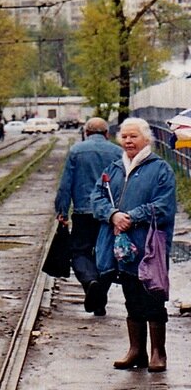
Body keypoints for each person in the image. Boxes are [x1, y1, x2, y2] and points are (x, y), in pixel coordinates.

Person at [92, 117, 176, 373]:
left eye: (134, 136)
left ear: (146, 139)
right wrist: (112, 215)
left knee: (152, 296)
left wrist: (133, 216)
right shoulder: (115, 168)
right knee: (131, 296)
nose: (128, 141)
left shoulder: (160, 169)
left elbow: (164, 206)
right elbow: (96, 197)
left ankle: (158, 353)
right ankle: (136, 350)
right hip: (123, 246)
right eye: (125, 137)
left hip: (149, 246)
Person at [54, 116, 121, 316]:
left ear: (86, 133)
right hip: (109, 214)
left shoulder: (76, 151)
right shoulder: (118, 152)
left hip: (83, 212)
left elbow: (66, 184)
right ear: (107, 134)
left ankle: (91, 282)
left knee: (80, 252)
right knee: (107, 254)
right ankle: (99, 299)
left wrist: (62, 211)